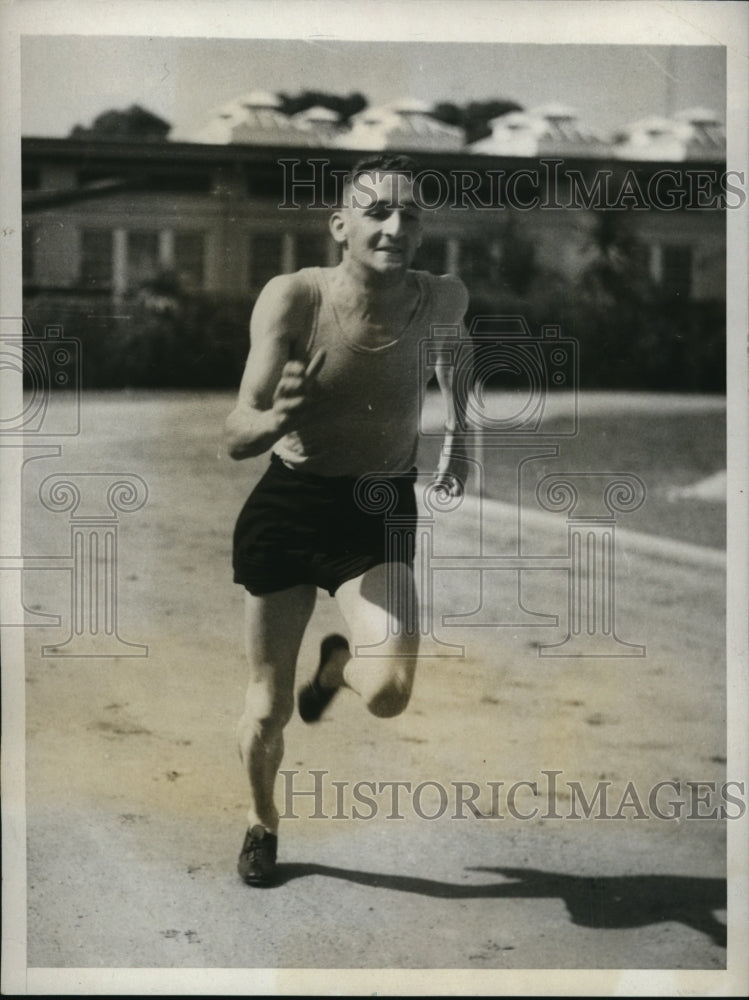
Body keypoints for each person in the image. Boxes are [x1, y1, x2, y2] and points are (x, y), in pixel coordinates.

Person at [225, 154, 469, 886]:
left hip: (377, 510)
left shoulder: (443, 298)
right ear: (340, 225)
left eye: (411, 215)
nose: (396, 225)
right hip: (290, 506)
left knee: (390, 693)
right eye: (377, 211)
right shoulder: (293, 297)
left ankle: (339, 666)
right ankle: (261, 823)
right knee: (268, 707)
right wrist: (274, 420)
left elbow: (457, 358)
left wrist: (461, 436)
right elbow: (233, 432)